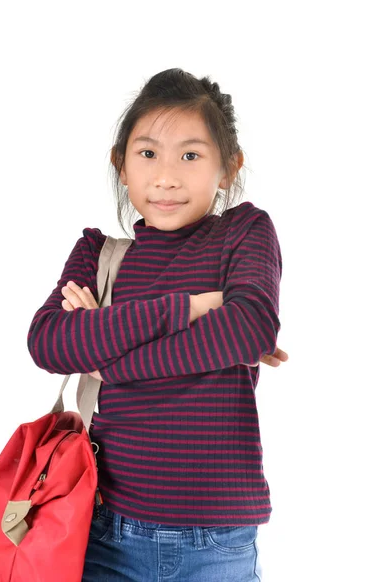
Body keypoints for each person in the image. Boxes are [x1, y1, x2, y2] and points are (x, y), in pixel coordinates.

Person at [27, 68, 288, 582]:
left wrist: (104, 350)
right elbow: (48, 344)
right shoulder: (97, 253)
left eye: (191, 156)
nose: (167, 177)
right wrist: (189, 309)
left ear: (228, 166)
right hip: (104, 530)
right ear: (120, 165)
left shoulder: (244, 232)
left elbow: (250, 328)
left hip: (218, 538)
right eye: (147, 154)